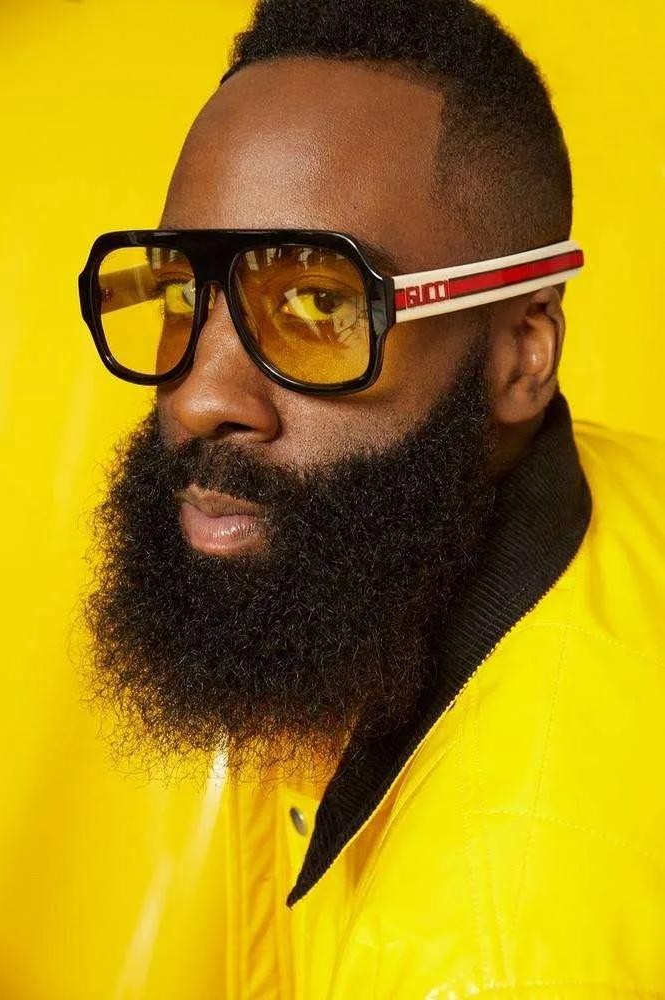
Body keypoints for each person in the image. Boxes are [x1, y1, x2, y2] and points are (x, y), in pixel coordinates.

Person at [78, 0, 665, 994]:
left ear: (522, 353)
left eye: (318, 302)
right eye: (182, 292)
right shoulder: (388, 578)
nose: (200, 396)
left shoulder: (488, 953)